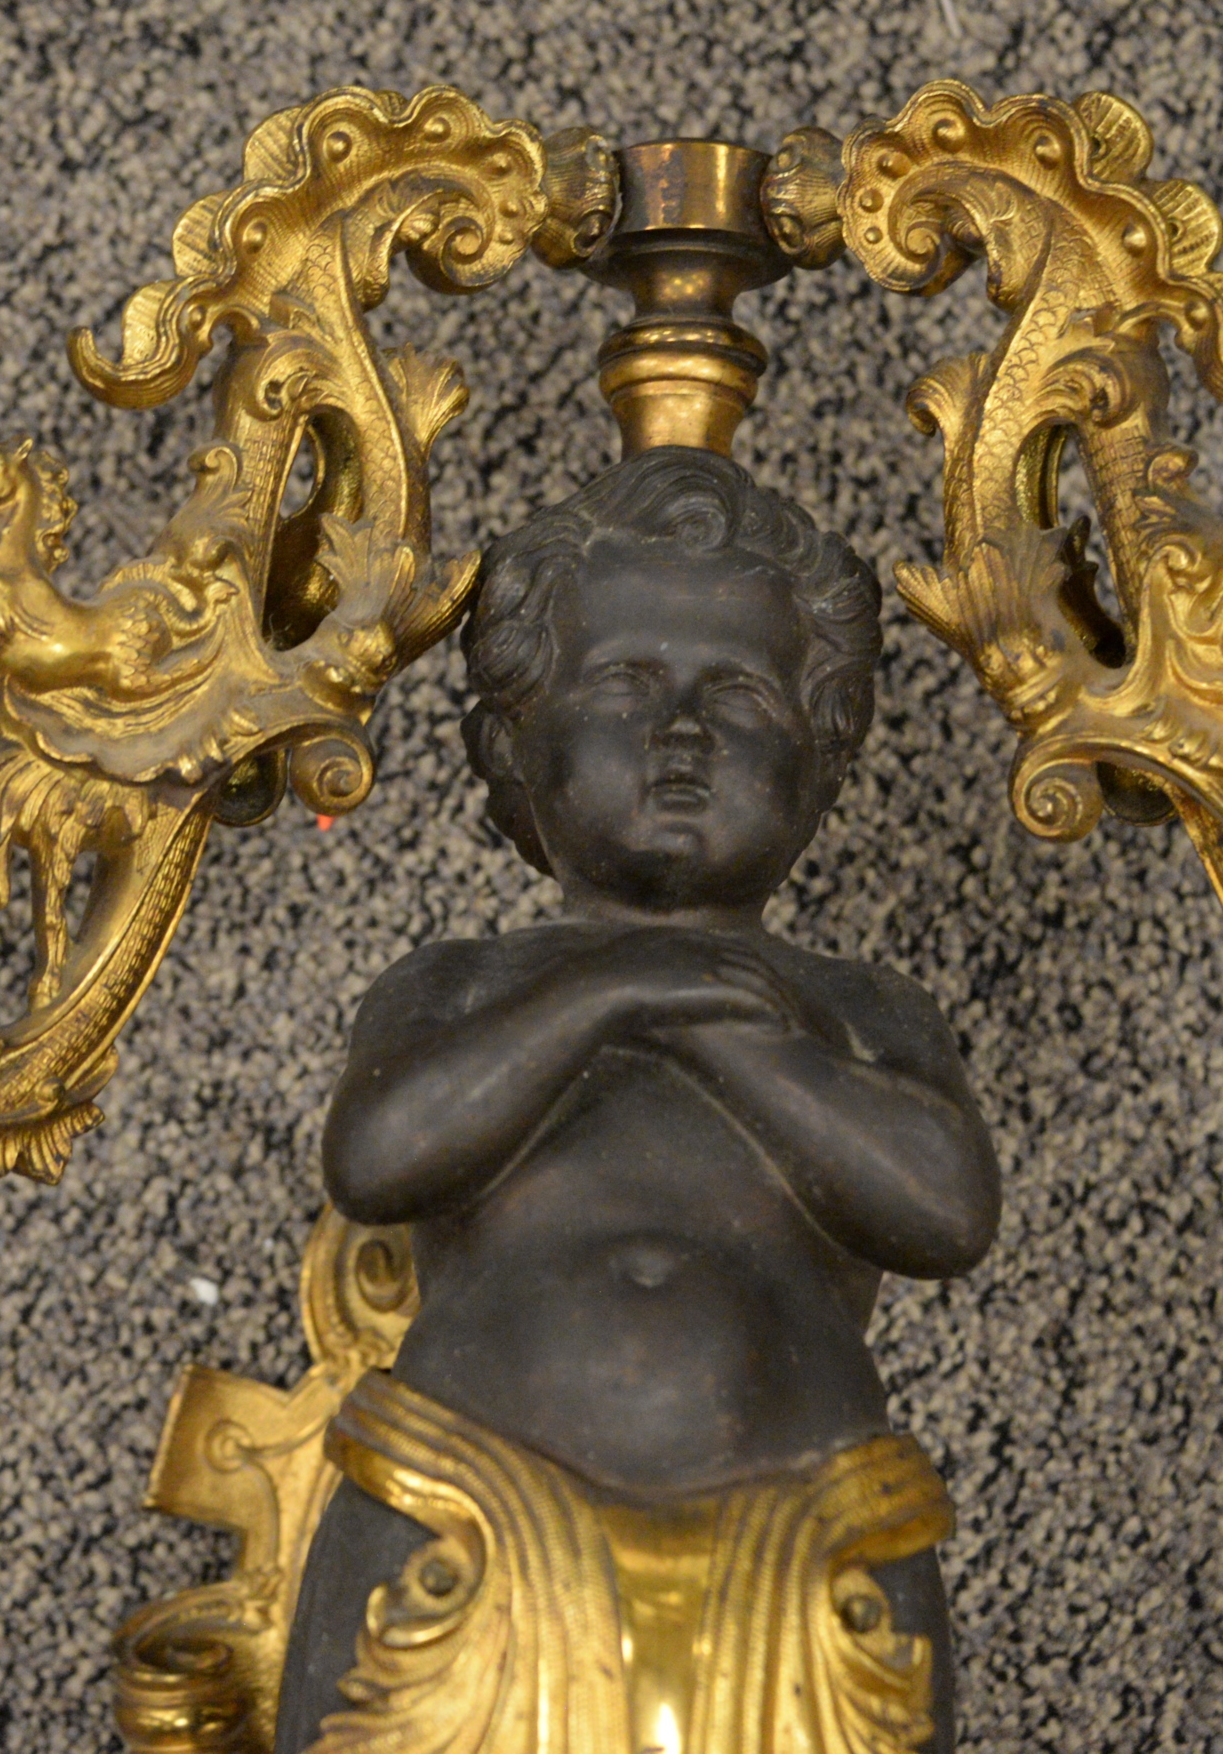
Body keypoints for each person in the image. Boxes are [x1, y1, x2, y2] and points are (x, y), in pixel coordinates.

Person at [273, 448, 1002, 1754]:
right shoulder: (460, 984)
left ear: (821, 754)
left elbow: (944, 1210)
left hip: (808, 1524)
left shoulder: (862, 1009)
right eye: (624, 682)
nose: (682, 732)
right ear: (515, 740)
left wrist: (728, 1024)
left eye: (740, 692)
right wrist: (608, 992)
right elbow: (377, 1158)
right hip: (462, 1498)